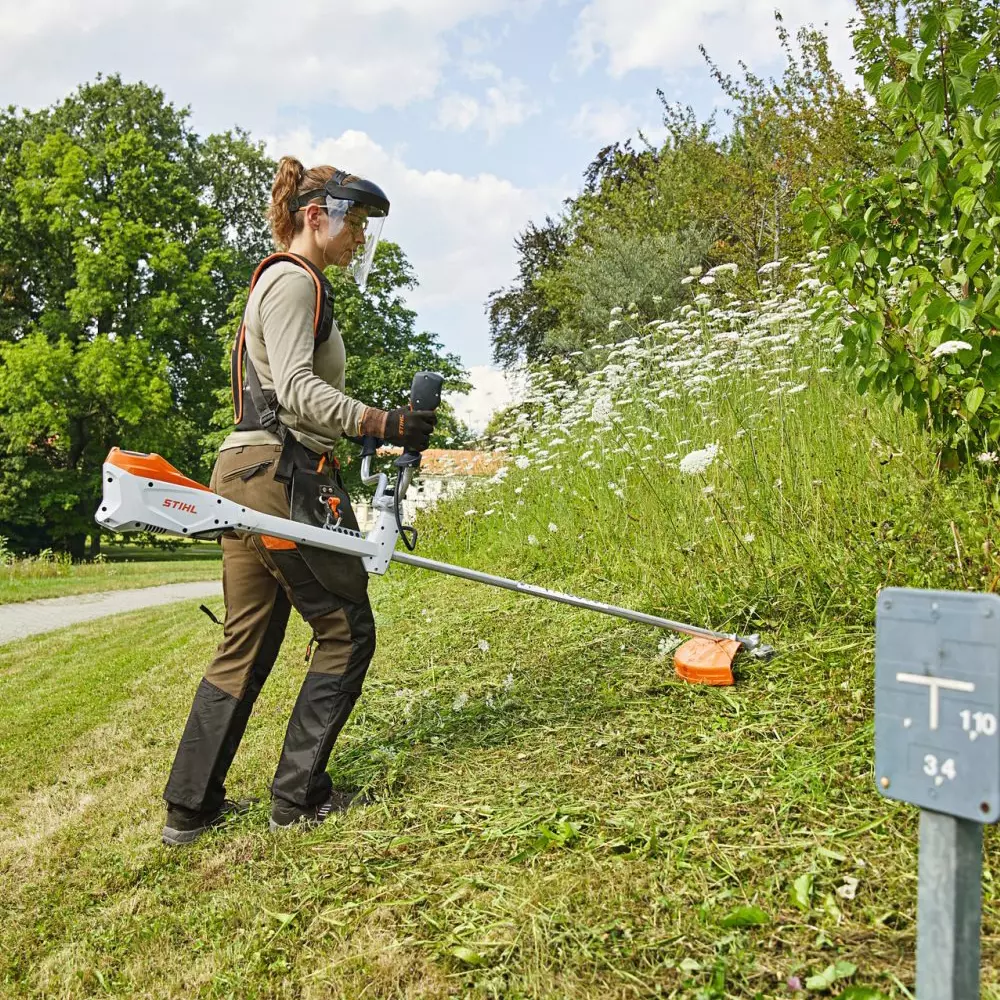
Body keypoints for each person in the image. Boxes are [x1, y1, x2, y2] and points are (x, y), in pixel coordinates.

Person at [160, 157, 436, 845]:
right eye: (358, 224)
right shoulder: (293, 282)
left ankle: (188, 810)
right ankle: (298, 798)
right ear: (317, 216)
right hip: (280, 474)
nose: (360, 241)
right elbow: (297, 392)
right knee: (345, 629)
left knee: (245, 642)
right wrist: (384, 423)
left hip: (247, 467)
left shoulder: (280, 283)